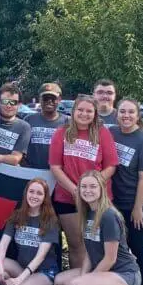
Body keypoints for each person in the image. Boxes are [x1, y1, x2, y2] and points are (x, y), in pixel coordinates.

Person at [53, 171, 140, 285]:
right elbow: (89, 252)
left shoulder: (108, 215)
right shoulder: (87, 213)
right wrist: (84, 276)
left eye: (93, 186)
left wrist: (87, 281)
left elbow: (110, 258)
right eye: (84, 186)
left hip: (125, 275)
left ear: (102, 189)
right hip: (106, 274)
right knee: (60, 282)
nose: (88, 190)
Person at [48, 94, 119, 269]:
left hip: (98, 200)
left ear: (95, 113)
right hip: (68, 197)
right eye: (80, 110)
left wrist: (90, 188)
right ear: (73, 111)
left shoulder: (103, 133)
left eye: (89, 111)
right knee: (76, 245)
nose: (84, 114)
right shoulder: (61, 132)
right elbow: (55, 166)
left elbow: (111, 166)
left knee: (98, 246)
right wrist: (76, 190)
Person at [109, 99, 143, 285]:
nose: (126, 116)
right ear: (116, 113)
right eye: (122, 111)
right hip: (117, 201)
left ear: (138, 115)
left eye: (131, 112)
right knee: (120, 248)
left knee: (138, 246)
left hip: (141, 203)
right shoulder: (111, 133)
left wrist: (138, 208)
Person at [0, 178, 60, 285]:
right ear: (26, 193)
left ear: (45, 197)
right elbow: (3, 245)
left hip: (45, 272)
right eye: (31, 192)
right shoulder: (17, 216)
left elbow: (40, 257)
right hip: (22, 267)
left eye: (39, 193)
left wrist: (19, 280)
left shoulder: (50, 220)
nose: (34, 196)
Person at [0, 83, 31, 169]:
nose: (9, 105)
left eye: (13, 102)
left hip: (3, 175)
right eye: (5, 101)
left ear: (19, 104)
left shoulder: (24, 127)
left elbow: (16, 158)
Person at [24, 82, 68, 169]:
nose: (49, 101)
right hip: (31, 173)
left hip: (57, 175)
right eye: (45, 98)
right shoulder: (28, 120)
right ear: (39, 99)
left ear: (59, 100)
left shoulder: (68, 122)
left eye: (53, 98)